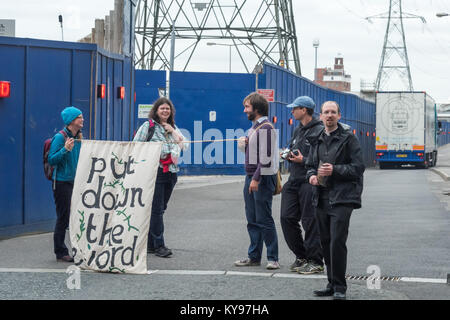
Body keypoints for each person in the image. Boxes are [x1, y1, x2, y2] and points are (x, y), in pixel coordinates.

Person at [306, 101, 365, 300]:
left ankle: (340, 287)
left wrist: (335, 170)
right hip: (321, 197)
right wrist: (312, 176)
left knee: (337, 243)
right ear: (321, 116)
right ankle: (331, 283)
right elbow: (310, 165)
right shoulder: (317, 139)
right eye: (326, 112)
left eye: (333, 112)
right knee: (325, 242)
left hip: (342, 198)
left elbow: (358, 168)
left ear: (339, 116)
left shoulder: (349, 139)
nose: (329, 115)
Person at [133, 97, 187, 258]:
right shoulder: (148, 126)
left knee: (161, 209)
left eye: (168, 109)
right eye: (162, 108)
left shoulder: (173, 128)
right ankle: (159, 245)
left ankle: (150, 244)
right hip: (154, 172)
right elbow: (136, 145)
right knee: (156, 210)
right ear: (156, 110)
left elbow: (184, 145)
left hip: (171, 172)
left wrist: (173, 131)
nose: (165, 111)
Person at [234, 92, 280, 270]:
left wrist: (256, 179)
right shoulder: (254, 128)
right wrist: (245, 144)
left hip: (261, 178)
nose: (245, 110)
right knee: (252, 219)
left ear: (257, 109)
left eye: (247, 107)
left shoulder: (266, 128)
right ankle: (254, 256)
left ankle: (273, 257)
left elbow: (266, 158)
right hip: (252, 177)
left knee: (264, 218)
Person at [280, 96, 324, 274]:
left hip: (309, 180)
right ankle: (302, 256)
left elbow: (323, 159)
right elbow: (292, 148)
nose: (291, 111)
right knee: (286, 218)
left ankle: (316, 261)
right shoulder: (298, 130)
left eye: (295, 108)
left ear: (304, 110)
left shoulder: (319, 131)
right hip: (293, 180)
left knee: (310, 221)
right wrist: (287, 154)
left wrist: (303, 160)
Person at [48, 106, 84, 262]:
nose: (82, 119)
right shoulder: (60, 138)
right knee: (63, 216)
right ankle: (60, 251)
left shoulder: (79, 137)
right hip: (62, 182)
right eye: (79, 117)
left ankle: (78, 248)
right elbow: (52, 159)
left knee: (75, 215)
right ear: (71, 121)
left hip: (75, 181)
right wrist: (65, 149)